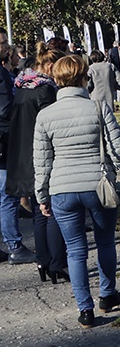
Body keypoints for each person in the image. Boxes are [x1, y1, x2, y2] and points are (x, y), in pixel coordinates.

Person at [33, 55, 120, 327]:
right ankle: (108, 294)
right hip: (97, 185)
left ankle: (85, 310)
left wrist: (42, 195)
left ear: (56, 79)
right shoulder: (98, 108)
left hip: (62, 189)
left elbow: (41, 162)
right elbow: (119, 147)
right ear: (84, 77)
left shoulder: (45, 116)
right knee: (105, 242)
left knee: (75, 251)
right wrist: (113, 170)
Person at [6, 42, 68, 282]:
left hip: (22, 154)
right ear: (51, 66)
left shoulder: (22, 85)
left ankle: (43, 261)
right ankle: (56, 262)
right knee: (51, 210)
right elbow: (52, 125)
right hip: (42, 153)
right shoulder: (46, 90)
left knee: (39, 211)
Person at [0, 27, 38, 264]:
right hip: (4, 140)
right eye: (3, 43)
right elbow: (5, 109)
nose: (7, 46)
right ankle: (14, 244)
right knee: (7, 195)